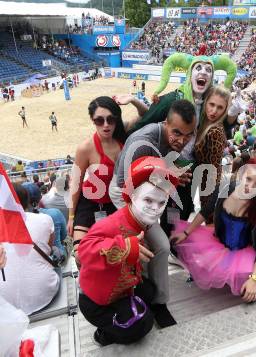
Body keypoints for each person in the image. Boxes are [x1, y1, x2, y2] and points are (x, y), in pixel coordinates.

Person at [78, 157, 179, 346]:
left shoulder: (141, 221)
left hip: (123, 289)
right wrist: (125, 248)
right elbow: (83, 251)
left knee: (149, 291)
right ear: (132, 196)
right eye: (148, 200)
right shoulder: (113, 223)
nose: (155, 209)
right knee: (143, 324)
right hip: (98, 302)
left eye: (161, 203)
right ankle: (105, 334)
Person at [170, 157, 256, 302]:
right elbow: (206, 210)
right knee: (181, 245)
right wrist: (186, 232)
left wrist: (254, 279)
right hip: (218, 242)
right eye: (249, 179)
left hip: (245, 252)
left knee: (251, 294)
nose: (250, 186)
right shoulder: (225, 188)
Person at [110, 99, 196, 236]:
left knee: (161, 246)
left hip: (149, 191)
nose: (182, 141)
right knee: (147, 244)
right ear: (166, 123)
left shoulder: (173, 137)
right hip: (123, 193)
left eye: (188, 135)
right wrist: (167, 178)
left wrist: (174, 172)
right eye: (177, 133)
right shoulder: (142, 143)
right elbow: (123, 185)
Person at [68, 97, 134, 264]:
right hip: (89, 204)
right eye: (99, 120)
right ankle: (87, 288)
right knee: (80, 255)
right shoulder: (85, 148)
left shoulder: (123, 137)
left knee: (117, 254)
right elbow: (75, 183)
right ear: (92, 120)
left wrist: (132, 99)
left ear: (116, 120)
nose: (106, 125)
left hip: (115, 205)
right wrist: (71, 216)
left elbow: (146, 115)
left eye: (110, 119)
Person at [0, 183, 60, 315]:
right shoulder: (44, 219)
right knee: (57, 255)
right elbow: (49, 249)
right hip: (44, 293)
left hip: (5, 304)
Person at [194, 86, 230, 214]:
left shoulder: (215, 131)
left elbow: (213, 170)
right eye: (212, 104)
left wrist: (209, 202)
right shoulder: (205, 123)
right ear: (206, 102)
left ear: (225, 109)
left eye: (220, 107)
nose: (214, 111)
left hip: (209, 187)